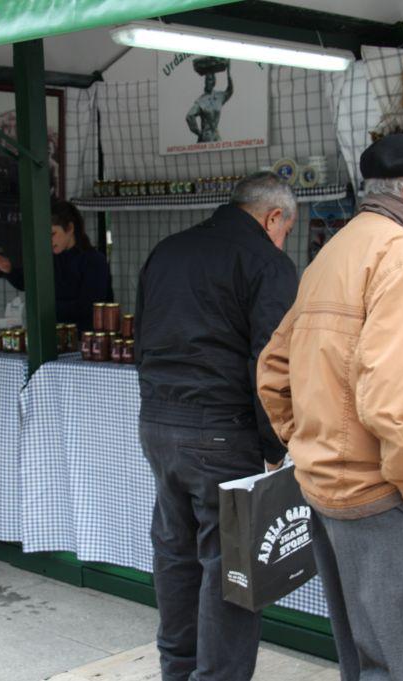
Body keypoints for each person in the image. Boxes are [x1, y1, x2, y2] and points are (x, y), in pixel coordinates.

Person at [256, 134, 403, 681]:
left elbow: (274, 371)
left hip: (329, 488)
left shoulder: (336, 252)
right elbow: (396, 405)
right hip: (387, 497)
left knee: (364, 661)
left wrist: (315, 446)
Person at [134, 172, 298, 681]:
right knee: (231, 567)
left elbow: (142, 340)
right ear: (273, 217)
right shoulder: (266, 262)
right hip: (222, 430)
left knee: (175, 554)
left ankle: (177, 670)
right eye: (286, 230)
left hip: (159, 423)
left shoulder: (168, 251)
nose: (283, 240)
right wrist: (275, 444)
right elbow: (270, 364)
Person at [0, 201, 110, 332]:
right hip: (54, 336)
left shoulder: (94, 261)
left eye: (52, 234)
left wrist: (44, 308)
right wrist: (9, 270)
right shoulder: (48, 258)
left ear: (70, 228)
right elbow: (28, 283)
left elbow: (89, 307)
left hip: (86, 338)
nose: (48, 240)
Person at [186, 61, 233, 143]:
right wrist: (198, 133)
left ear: (214, 82)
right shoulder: (201, 100)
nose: (208, 82)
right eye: (206, 80)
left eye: (210, 80)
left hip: (216, 137)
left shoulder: (219, 96)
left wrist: (228, 74)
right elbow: (189, 116)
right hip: (206, 138)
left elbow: (230, 90)